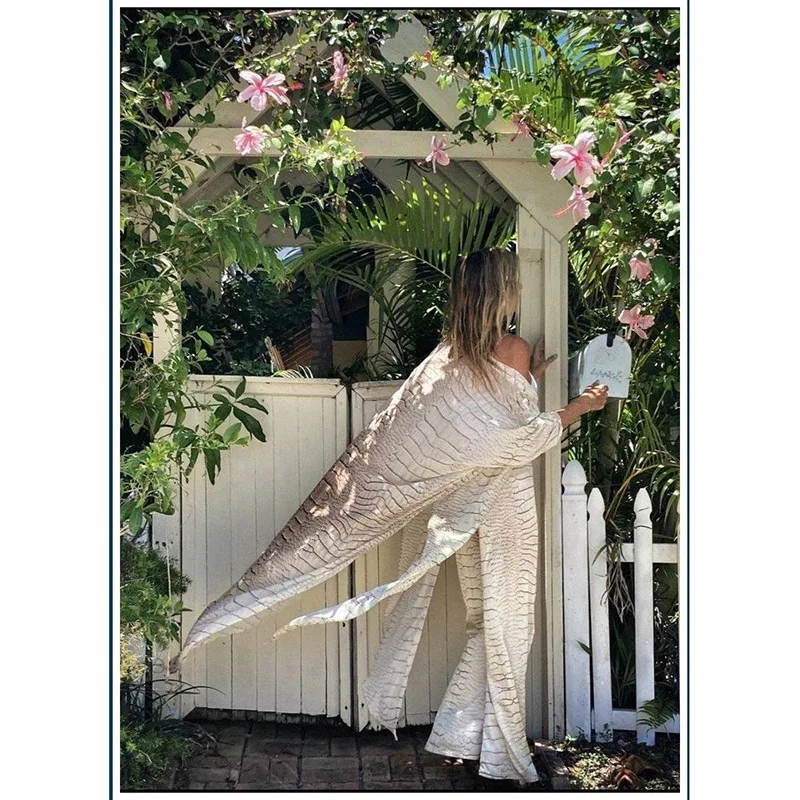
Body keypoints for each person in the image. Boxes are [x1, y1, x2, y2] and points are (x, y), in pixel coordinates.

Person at [170, 247, 608, 784]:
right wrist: (580, 406)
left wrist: (529, 378)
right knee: (507, 626)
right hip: (503, 510)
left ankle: (464, 737)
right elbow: (516, 440)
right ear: (501, 292)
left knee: (484, 623)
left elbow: (460, 431)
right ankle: (501, 751)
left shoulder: (446, 357)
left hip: (459, 508)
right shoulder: (509, 348)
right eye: (513, 284)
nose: (518, 292)